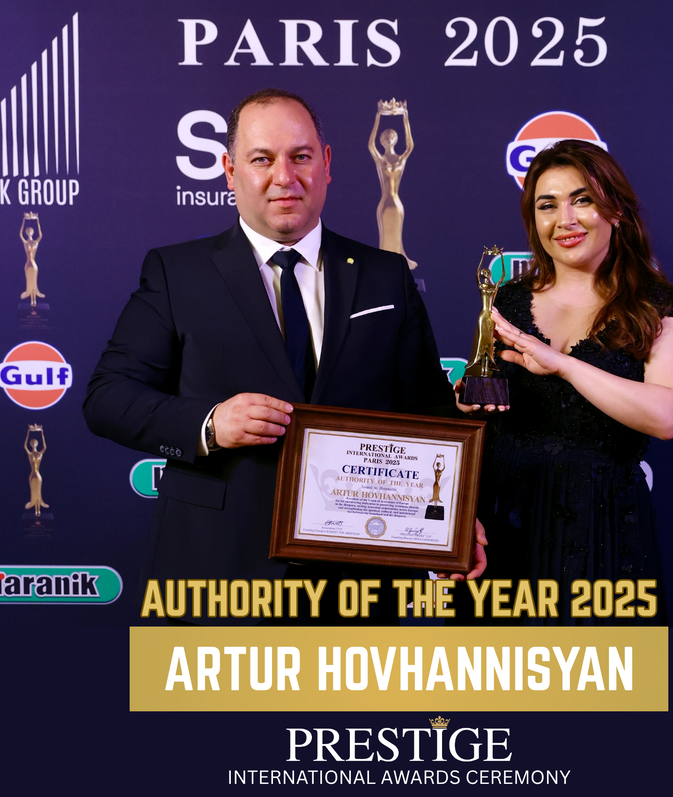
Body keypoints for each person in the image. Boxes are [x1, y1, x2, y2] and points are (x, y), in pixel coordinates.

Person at [83, 88, 483, 623]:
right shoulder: (177, 273)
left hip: (357, 579)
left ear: (327, 164)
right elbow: (107, 398)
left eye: (300, 156)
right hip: (216, 571)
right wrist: (211, 423)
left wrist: (453, 520)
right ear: (229, 170)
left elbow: (428, 413)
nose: (284, 177)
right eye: (261, 159)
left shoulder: (385, 275)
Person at [454, 139, 673, 625]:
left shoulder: (656, 306)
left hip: (602, 533)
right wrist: (463, 404)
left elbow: (667, 416)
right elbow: (480, 412)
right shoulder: (506, 301)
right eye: (547, 205)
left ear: (616, 211)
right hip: (503, 531)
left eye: (581, 200)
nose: (564, 219)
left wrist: (562, 364)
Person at [368, 100, 416, 268]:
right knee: (385, 237)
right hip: (384, 204)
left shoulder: (401, 159)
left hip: (396, 204)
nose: (389, 139)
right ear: (382, 141)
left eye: (391, 137)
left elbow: (410, 145)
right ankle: (385, 266)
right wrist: (378, 117)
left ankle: (398, 264)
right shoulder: (380, 159)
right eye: (386, 137)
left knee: (396, 235)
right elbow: (370, 144)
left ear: (395, 140)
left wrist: (405, 117)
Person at [20, 212, 45, 307]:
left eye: (30, 231)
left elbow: (40, 235)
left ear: (33, 232)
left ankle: (34, 300)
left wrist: (37, 221)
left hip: (33, 264)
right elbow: (20, 234)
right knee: (29, 282)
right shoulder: (25, 242)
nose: (29, 232)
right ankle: (31, 299)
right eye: (28, 231)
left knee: (34, 282)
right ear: (26, 233)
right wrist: (24, 220)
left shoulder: (35, 242)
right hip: (28, 264)